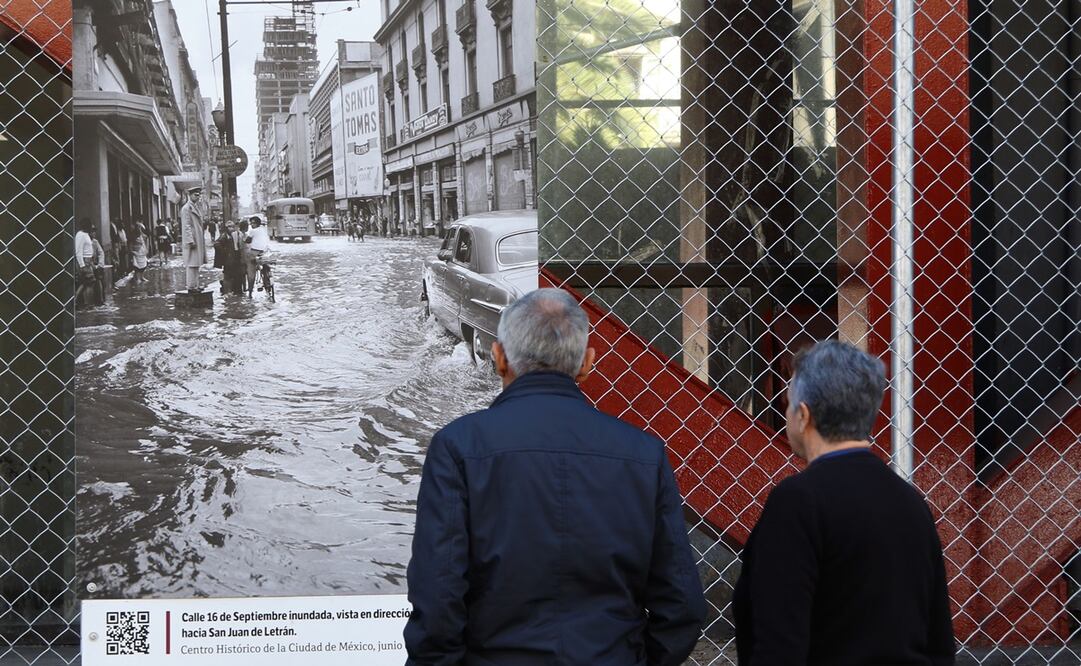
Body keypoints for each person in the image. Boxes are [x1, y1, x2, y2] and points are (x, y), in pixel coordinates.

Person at [404, 288, 706, 666]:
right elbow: (681, 605)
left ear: (498, 357)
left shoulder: (457, 447)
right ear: (587, 363)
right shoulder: (644, 454)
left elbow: (438, 595)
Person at [733, 340, 955, 665]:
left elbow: (779, 645)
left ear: (804, 414)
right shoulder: (910, 503)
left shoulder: (797, 502)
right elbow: (939, 642)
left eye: (789, 401)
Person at [180, 186, 208, 291]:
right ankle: (191, 286)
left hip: (197, 238)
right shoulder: (187, 208)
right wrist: (190, 240)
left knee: (196, 264)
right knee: (191, 263)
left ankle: (195, 285)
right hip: (192, 240)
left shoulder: (195, 207)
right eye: (196, 195)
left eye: (199, 195)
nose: (198, 197)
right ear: (190, 195)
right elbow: (186, 225)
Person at [245, 216, 270, 297]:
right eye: (251, 223)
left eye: (253, 223)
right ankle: (267, 282)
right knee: (265, 266)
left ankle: (250, 292)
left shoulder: (253, 231)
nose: (252, 225)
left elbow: (248, 240)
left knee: (251, 272)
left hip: (254, 252)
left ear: (257, 223)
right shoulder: (263, 229)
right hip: (264, 252)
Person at [74, 218, 95, 307]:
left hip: (88, 261)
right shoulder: (81, 235)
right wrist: (82, 265)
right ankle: (87, 303)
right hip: (85, 261)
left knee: (85, 283)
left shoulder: (85, 234)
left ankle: (84, 302)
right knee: (90, 282)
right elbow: (78, 251)